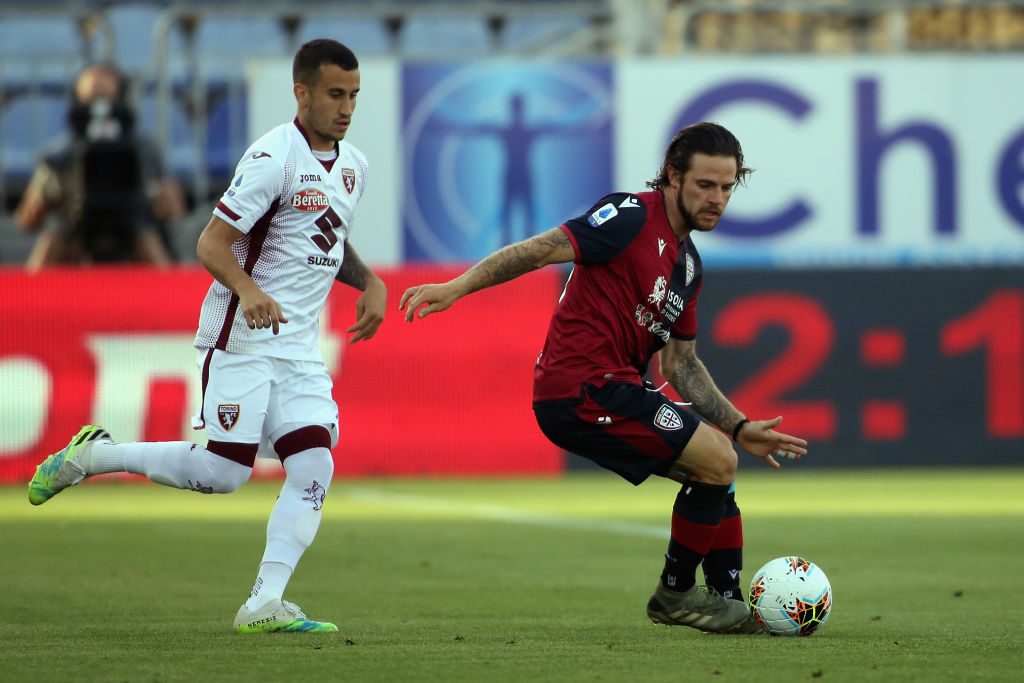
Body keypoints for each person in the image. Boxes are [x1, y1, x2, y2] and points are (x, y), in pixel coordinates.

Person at [28, 39, 386, 634]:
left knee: (314, 466)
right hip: (242, 338)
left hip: (297, 347)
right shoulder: (273, 157)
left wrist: (368, 280)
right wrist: (248, 291)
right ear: (301, 93)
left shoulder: (356, 167)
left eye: (353, 96)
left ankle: (264, 603)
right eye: (334, 94)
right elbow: (210, 243)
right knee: (226, 472)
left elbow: (324, 238)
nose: (346, 108)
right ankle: (96, 455)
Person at [400, 122, 808, 634]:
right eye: (705, 185)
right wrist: (459, 286)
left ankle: (726, 600)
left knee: (718, 470)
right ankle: (676, 595)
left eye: (727, 188)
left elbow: (680, 363)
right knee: (716, 458)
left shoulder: (688, 267)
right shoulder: (633, 216)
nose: (717, 199)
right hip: (580, 387)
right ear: (672, 176)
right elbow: (542, 248)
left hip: (618, 387)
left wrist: (740, 424)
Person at [14, 63, 185, 270]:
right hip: (76, 234)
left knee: (149, 241)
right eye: (90, 101)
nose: (99, 110)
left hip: (132, 233)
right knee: (50, 240)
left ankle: (172, 301)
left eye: (106, 100)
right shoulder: (58, 156)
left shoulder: (144, 151)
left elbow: (174, 211)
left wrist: (166, 200)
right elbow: (27, 220)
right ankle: (26, 301)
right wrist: (36, 206)